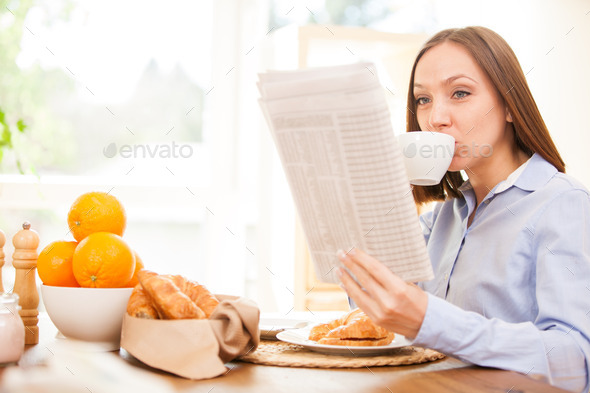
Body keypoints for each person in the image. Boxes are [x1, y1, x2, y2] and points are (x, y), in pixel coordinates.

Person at [336, 26, 590, 393]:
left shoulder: (563, 204)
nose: (436, 117)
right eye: (423, 100)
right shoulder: (442, 218)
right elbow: (381, 315)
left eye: (460, 93)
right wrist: (385, 204)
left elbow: (576, 363)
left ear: (509, 106)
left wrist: (431, 319)